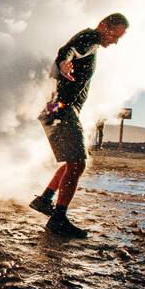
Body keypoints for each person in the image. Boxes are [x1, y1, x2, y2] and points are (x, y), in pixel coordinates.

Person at [29, 13, 130, 237]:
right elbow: (69, 50)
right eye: (115, 35)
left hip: (54, 108)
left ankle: (45, 200)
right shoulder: (90, 39)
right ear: (104, 26)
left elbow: (71, 50)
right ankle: (58, 219)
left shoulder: (90, 40)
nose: (115, 41)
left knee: (72, 160)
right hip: (62, 107)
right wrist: (64, 61)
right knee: (77, 164)